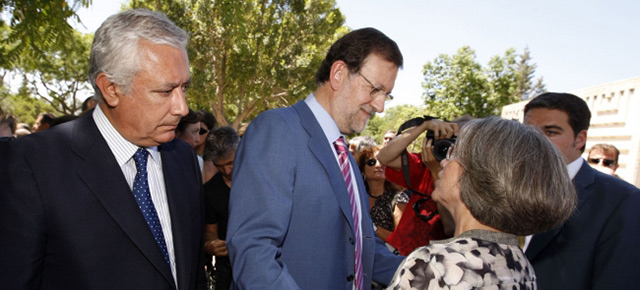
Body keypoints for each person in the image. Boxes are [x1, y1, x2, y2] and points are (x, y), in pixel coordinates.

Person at [0, 9, 206, 290]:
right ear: (110, 88)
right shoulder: (32, 164)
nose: (182, 107)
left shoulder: (184, 159)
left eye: (184, 88)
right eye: (165, 91)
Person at [226, 27, 405, 289]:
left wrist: (434, 272)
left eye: (386, 94)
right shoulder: (277, 129)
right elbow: (254, 250)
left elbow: (359, 246)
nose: (380, 106)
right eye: (375, 89)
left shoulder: (345, 157)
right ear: (339, 74)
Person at [388, 117, 577, 289]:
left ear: (480, 175)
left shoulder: (435, 264)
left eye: (454, 153)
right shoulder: (519, 261)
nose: (443, 163)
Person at [523, 92, 640, 290]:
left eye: (550, 132)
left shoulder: (622, 200)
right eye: (528, 131)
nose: (536, 141)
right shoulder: (504, 186)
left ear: (580, 139)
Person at [376, 118, 458, 255]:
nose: (446, 147)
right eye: (442, 139)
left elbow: (450, 226)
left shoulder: (471, 176)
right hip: (400, 250)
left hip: (433, 259)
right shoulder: (424, 163)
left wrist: (436, 172)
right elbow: (384, 157)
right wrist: (423, 126)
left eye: (453, 141)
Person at [203, 126, 239, 290]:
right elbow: (210, 234)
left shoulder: (261, 178)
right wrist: (211, 245)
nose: (226, 170)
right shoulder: (210, 192)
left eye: (231, 163)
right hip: (228, 269)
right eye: (220, 165)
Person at [355, 145, 408, 242]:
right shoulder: (356, 196)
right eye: (372, 162)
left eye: (382, 162)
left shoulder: (398, 198)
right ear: (362, 170)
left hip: (385, 254)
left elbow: (400, 239)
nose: (378, 165)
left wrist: (371, 226)